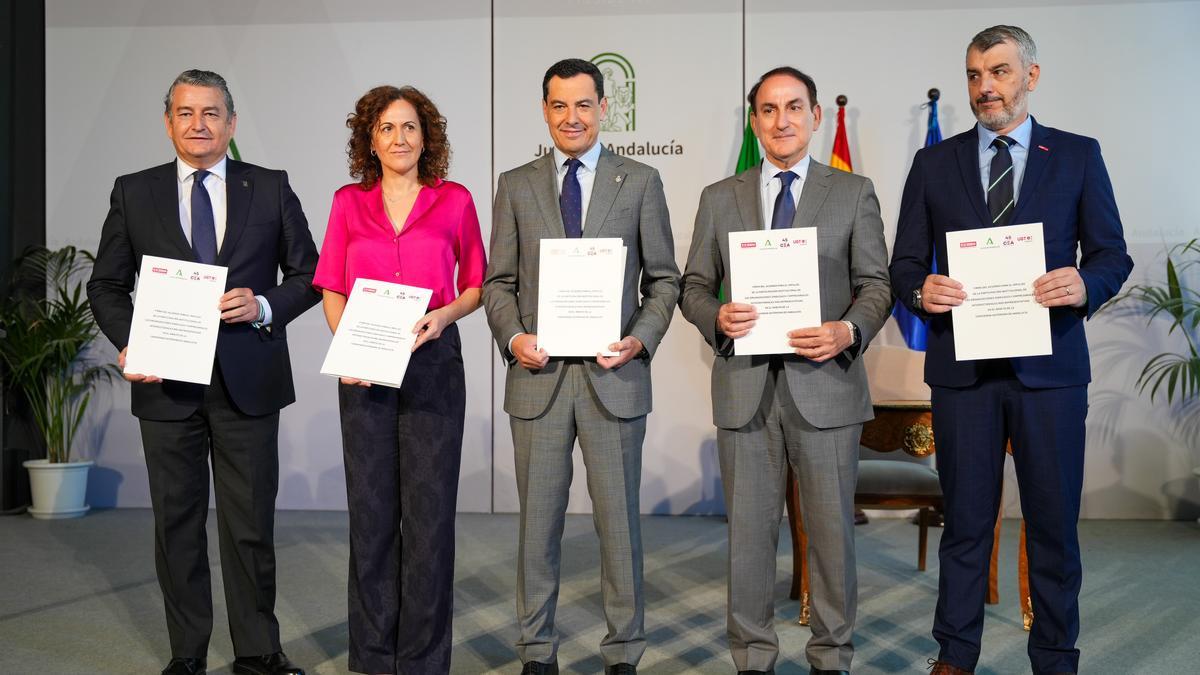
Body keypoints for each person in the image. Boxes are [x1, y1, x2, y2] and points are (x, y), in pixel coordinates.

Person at [889, 25, 1133, 675]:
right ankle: (956, 653)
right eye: (973, 74)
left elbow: (1112, 252)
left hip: (1050, 370)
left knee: (1053, 526)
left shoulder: (1078, 155)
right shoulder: (933, 163)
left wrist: (1086, 282)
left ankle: (1054, 654)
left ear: (1031, 75)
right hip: (963, 373)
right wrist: (920, 286)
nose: (984, 87)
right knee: (965, 525)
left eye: (998, 71)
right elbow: (904, 261)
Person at [87, 69, 319, 675]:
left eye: (211, 113)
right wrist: (131, 341)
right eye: (186, 113)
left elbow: (308, 276)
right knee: (177, 526)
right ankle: (187, 654)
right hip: (166, 384)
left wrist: (264, 304)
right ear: (168, 123)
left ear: (231, 124)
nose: (199, 125)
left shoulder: (269, 188)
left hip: (248, 381)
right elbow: (107, 284)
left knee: (250, 526)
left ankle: (258, 652)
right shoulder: (134, 192)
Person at [679, 66, 892, 675]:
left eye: (794, 107)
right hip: (745, 390)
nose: (782, 121)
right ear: (754, 121)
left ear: (816, 116)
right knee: (748, 540)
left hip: (826, 387)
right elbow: (693, 286)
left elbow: (876, 285)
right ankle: (753, 659)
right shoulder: (721, 196)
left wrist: (846, 330)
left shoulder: (854, 192)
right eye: (768, 110)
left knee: (832, 538)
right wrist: (716, 315)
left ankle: (831, 657)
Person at [481, 58, 679, 675]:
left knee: (618, 526)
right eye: (559, 106)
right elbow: (498, 282)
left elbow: (665, 280)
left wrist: (638, 341)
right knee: (537, 530)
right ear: (545, 110)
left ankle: (623, 652)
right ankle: (537, 652)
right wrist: (513, 338)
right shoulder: (516, 184)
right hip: (537, 380)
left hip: (613, 378)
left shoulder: (640, 181)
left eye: (584, 105)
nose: (572, 117)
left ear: (604, 108)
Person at [312, 85, 485, 675]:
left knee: (430, 519)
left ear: (426, 136)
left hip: (434, 366)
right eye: (386, 128)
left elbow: (475, 286)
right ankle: (373, 656)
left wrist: (445, 315)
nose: (399, 138)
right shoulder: (345, 202)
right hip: (363, 370)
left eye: (410, 127)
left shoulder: (455, 200)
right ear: (369, 138)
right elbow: (332, 285)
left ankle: (421, 659)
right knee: (372, 515)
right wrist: (349, 348)